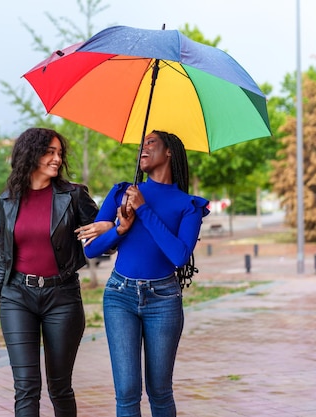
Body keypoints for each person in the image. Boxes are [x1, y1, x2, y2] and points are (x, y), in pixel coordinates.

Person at [0, 127, 111, 417]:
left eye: (60, 153)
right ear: (31, 154)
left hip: (62, 297)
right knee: (25, 387)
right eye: (50, 152)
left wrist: (109, 227)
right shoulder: (8, 199)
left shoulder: (73, 196)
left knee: (59, 387)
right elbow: (6, 259)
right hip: (17, 297)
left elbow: (104, 245)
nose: (57, 159)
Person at [81, 130, 209, 417]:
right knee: (126, 392)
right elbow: (90, 250)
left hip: (163, 300)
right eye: (142, 144)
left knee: (160, 391)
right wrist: (120, 228)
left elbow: (178, 255)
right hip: (119, 297)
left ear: (169, 152)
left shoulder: (188, 206)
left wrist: (144, 209)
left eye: (151, 143)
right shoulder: (121, 192)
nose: (143, 148)